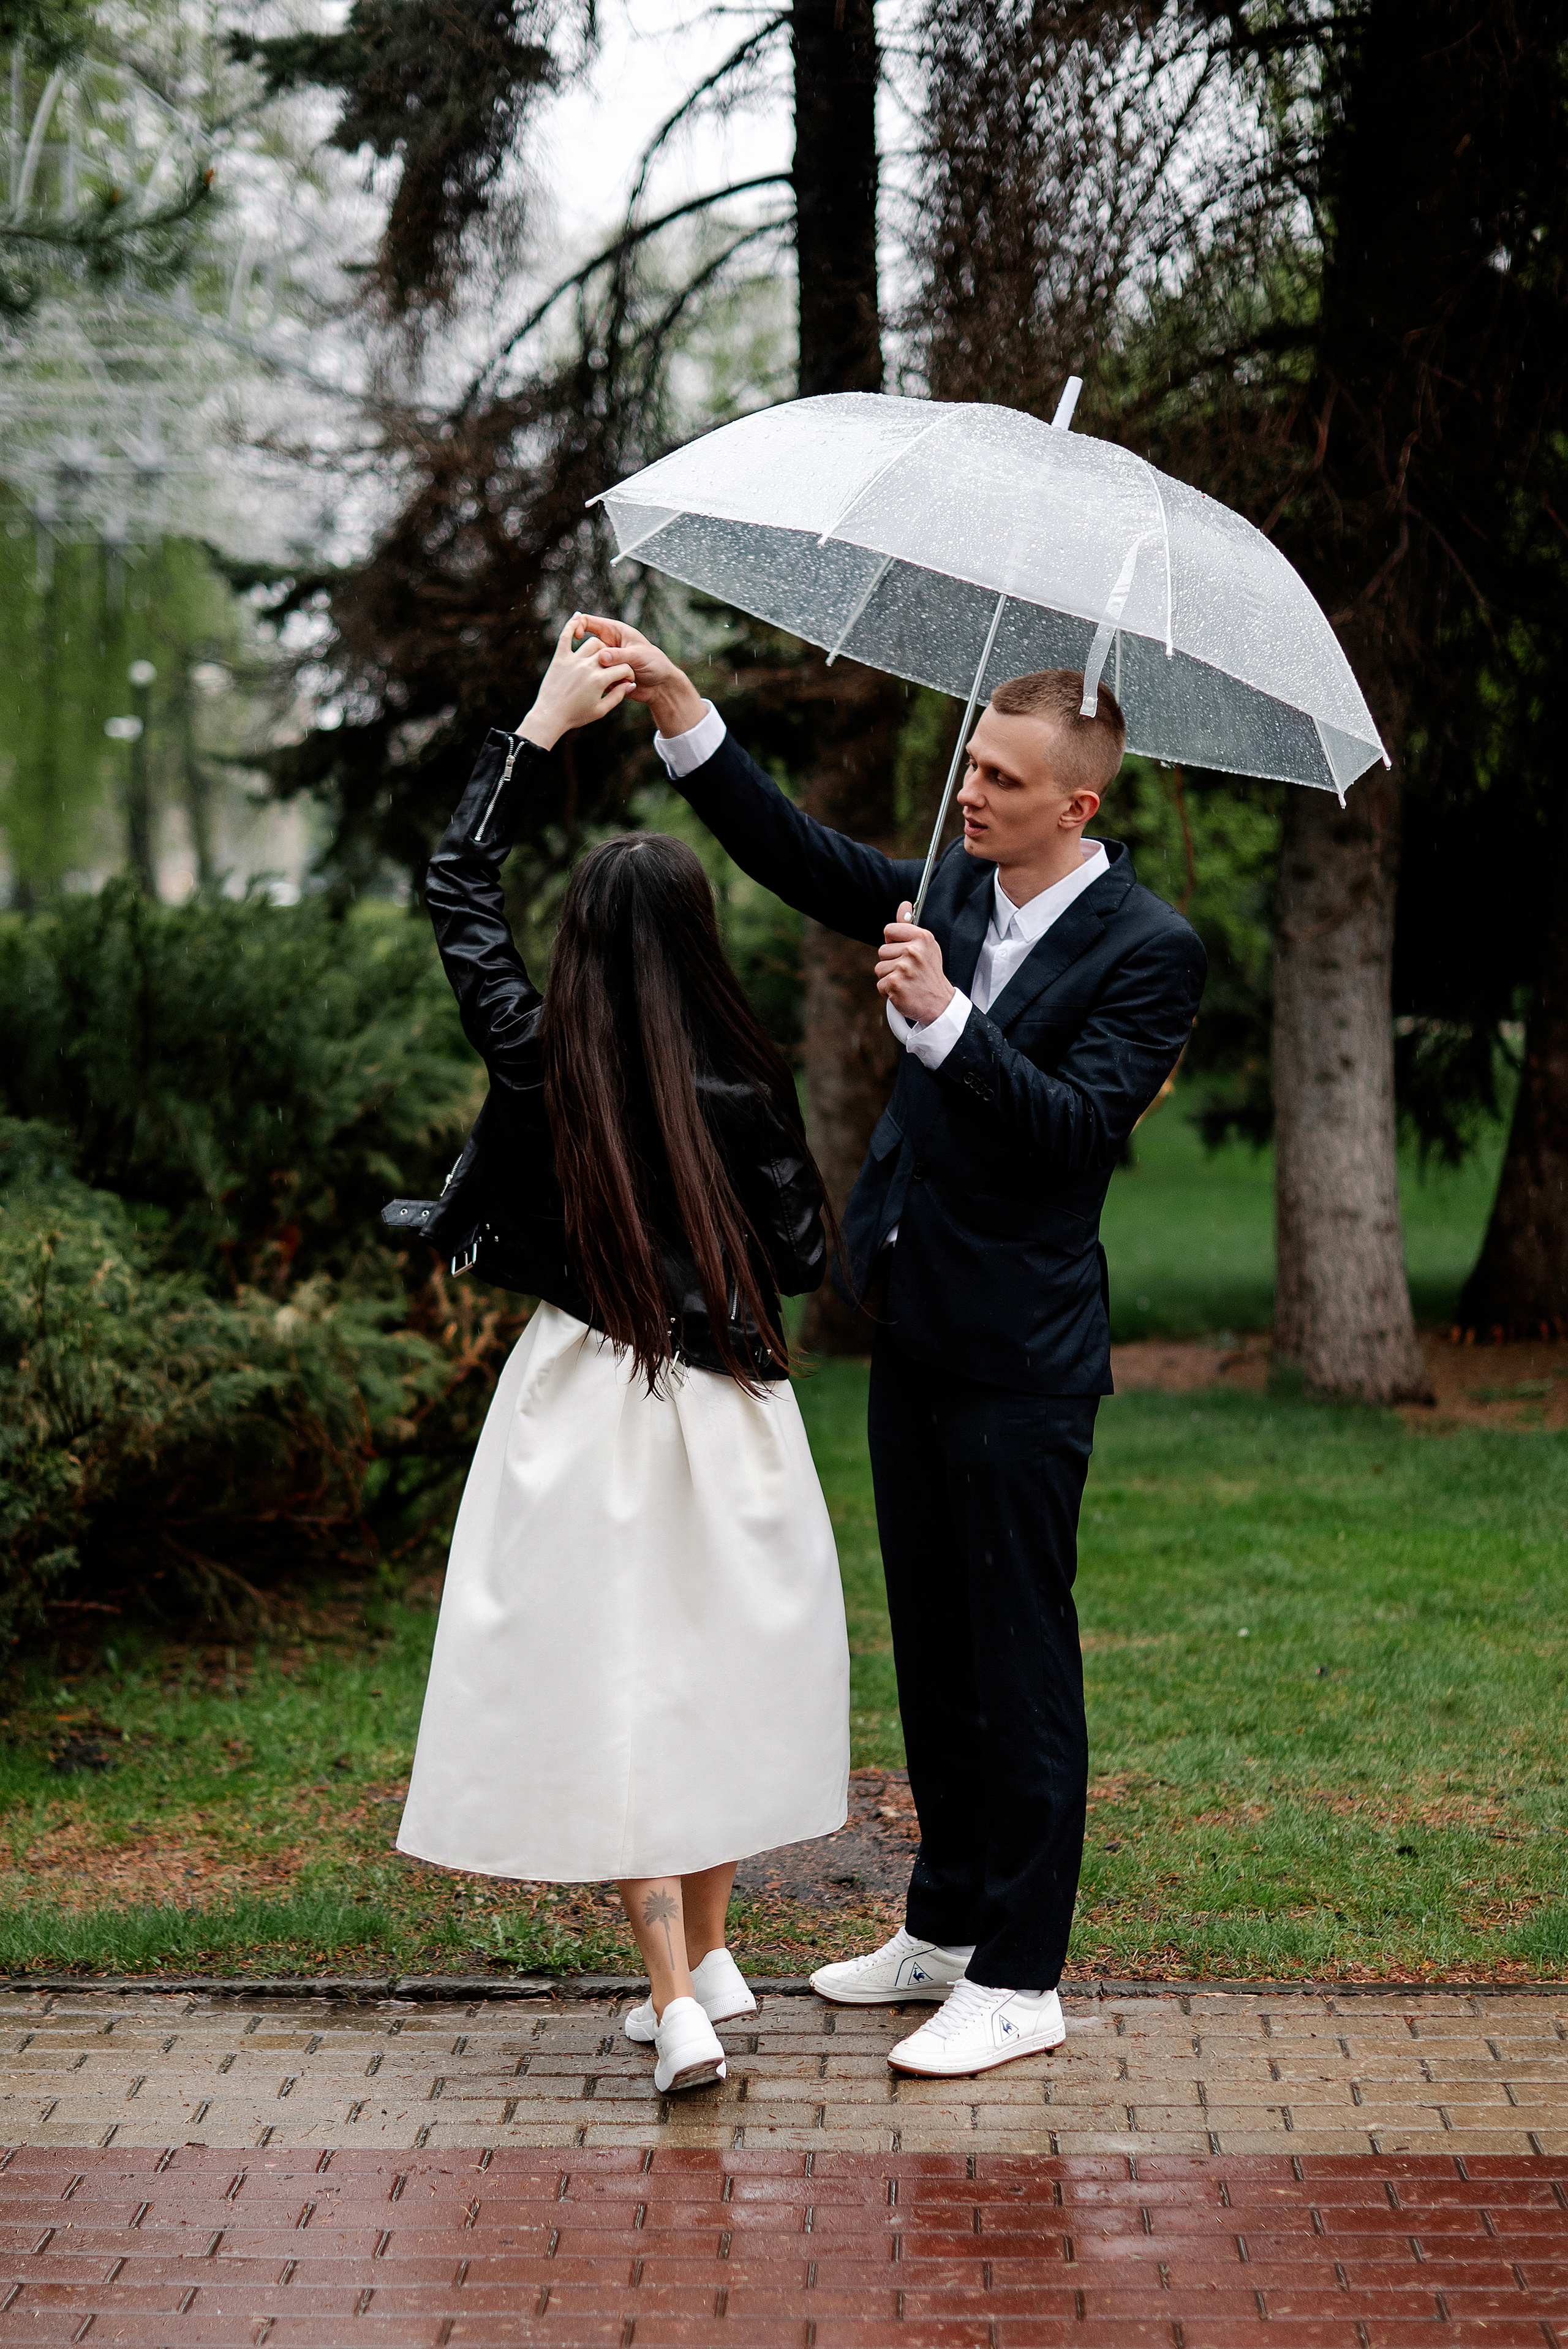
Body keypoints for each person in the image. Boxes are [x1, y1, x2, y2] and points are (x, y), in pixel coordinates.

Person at [578, 615, 1206, 2079]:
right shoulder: (953, 888)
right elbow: (799, 854)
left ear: (1078, 805)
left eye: (999, 776)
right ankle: (945, 1921)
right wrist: (685, 715)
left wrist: (943, 1021)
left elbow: (1071, 1135)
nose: (968, 791)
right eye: (966, 765)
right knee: (930, 1646)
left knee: (1018, 1663)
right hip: (913, 1326)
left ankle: (1024, 1974)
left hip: (1023, 1358)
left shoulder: (1148, 948)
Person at [390, 618, 851, 2096]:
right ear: (703, 945)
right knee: (707, 1674)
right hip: (727, 1410)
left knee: (612, 1680)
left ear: (579, 946)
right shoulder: (747, 1081)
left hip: (581, 1404)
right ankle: (701, 1966)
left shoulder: (537, 1057)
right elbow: (798, 1255)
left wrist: (535, 730)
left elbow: (458, 888)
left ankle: (679, 1994)